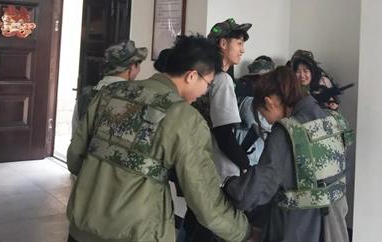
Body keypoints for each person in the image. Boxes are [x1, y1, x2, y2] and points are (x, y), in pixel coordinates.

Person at [66, 34, 251, 242]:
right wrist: (243, 231)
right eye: (208, 84)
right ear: (192, 76)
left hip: (82, 227)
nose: (204, 92)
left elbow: (74, 159)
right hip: (136, 234)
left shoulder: (109, 94)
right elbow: (205, 202)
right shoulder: (185, 118)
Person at [224, 66, 353, 242]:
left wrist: (230, 185)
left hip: (298, 230)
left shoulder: (286, 133)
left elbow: (251, 194)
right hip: (335, 228)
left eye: (263, 114)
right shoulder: (334, 120)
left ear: (270, 103)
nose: (266, 121)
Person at [182, 18, 252, 241]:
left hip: (198, 164)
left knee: (194, 224)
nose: (242, 49)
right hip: (219, 171)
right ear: (223, 43)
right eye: (239, 43)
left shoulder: (204, 78)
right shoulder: (222, 81)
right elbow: (224, 135)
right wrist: (246, 165)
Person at [72, 40, 147, 133]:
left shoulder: (85, 97)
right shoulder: (135, 98)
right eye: (138, 65)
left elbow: (76, 133)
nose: (139, 70)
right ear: (131, 67)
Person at [235, 56, 276, 166]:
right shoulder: (249, 101)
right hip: (251, 157)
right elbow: (259, 128)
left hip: (257, 156)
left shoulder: (261, 100)